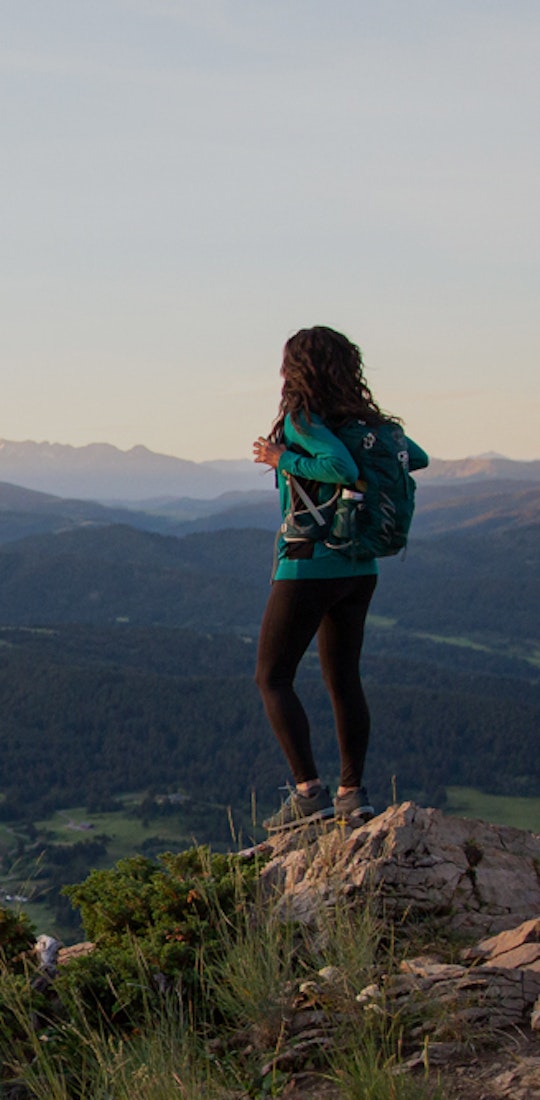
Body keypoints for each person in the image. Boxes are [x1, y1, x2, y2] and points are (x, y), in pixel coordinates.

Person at [253, 325, 428, 833]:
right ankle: (353, 794)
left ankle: (309, 793)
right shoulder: (371, 424)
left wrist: (280, 457)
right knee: (343, 677)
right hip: (361, 567)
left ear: (296, 370)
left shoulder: (301, 419)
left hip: (310, 564)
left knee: (272, 676)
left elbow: (339, 464)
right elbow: (415, 458)